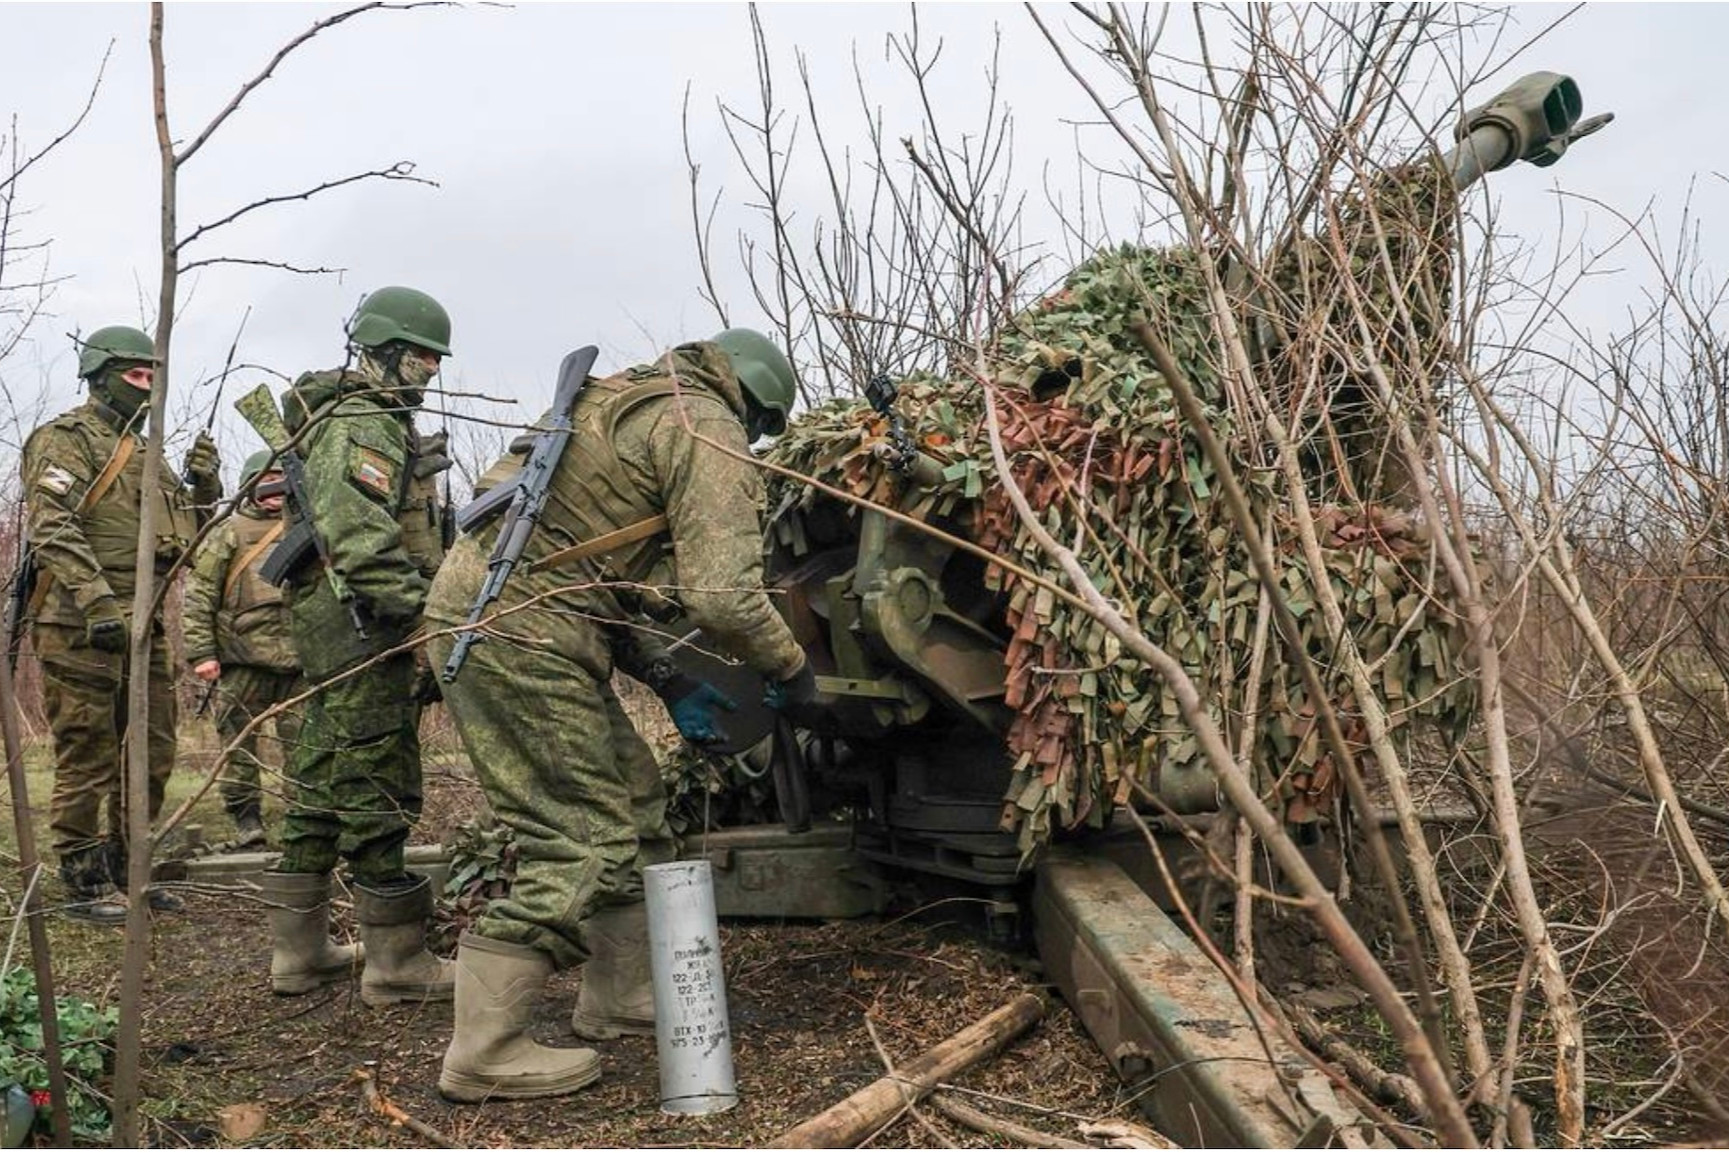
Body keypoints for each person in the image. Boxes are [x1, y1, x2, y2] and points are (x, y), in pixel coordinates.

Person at [425, 328, 815, 1103]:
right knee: (581, 839)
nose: (753, 438)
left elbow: (594, 570)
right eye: (761, 426)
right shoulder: (703, 423)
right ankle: (484, 1049)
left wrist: (667, 679)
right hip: (522, 633)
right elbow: (722, 596)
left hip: (514, 620)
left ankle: (620, 995)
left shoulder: (622, 403)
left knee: (637, 806)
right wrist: (793, 668)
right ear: (755, 400)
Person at [259, 287, 453, 1006]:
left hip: (344, 618)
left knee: (320, 772)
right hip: (361, 621)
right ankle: (396, 962)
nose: (430, 369)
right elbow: (361, 542)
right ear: (384, 349)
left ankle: (299, 955)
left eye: (436, 357)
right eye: (420, 354)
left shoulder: (371, 421)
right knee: (378, 777)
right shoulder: (364, 420)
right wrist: (430, 617)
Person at [20, 324, 221, 923]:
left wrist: (206, 485)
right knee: (89, 753)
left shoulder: (152, 459)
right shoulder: (64, 439)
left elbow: (191, 539)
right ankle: (81, 883)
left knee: (154, 752)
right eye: (137, 375)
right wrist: (96, 600)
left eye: (155, 375)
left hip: (148, 627)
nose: (149, 386)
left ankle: (129, 869)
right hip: (80, 625)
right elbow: (52, 524)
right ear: (102, 376)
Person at [183, 449, 303, 849]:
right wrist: (202, 654)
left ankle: (303, 820)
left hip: (298, 659)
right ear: (249, 486)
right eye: (265, 482)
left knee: (307, 747)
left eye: (280, 482)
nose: (274, 492)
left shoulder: (305, 528)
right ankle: (246, 819)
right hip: (241, 658)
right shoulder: (228, 531)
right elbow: (199, 596)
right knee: (238, 747)